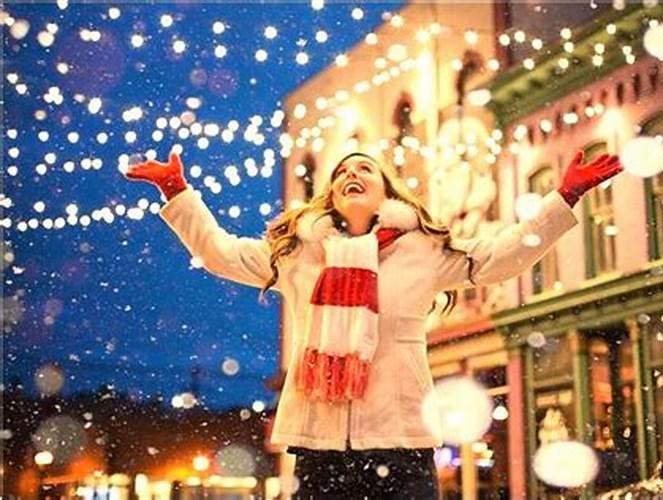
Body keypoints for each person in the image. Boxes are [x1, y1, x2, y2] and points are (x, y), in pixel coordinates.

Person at [125, 149, 622, 498]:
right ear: (331, 196)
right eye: (341, 173)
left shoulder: (423, 251)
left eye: (364, 168)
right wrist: (177, 190)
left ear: (386, 190)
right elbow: (220, 253)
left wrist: (565, 197)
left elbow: (499, 257)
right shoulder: (298, 254)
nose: (350, 174)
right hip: (320, 448)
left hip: (401, 442)